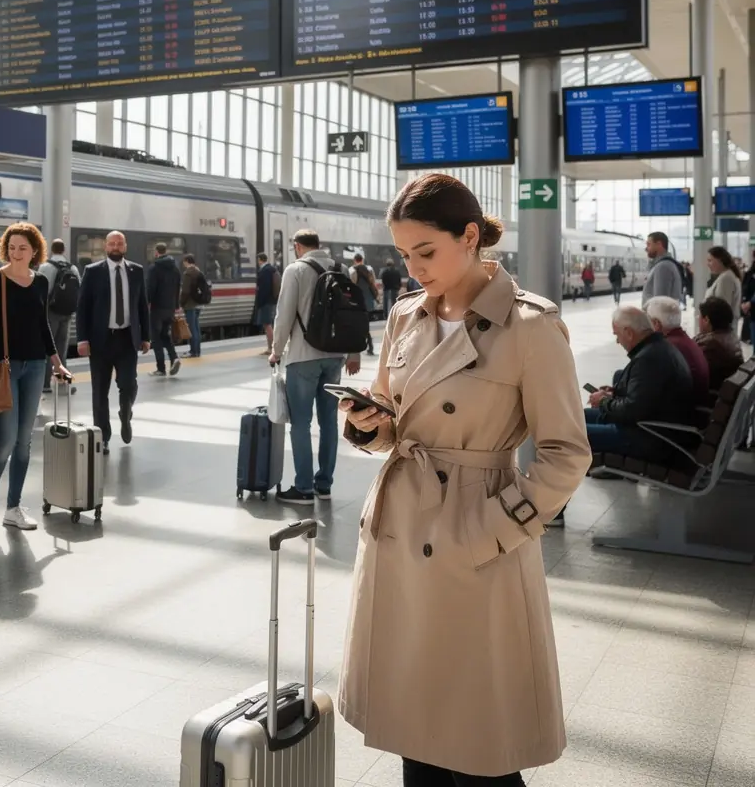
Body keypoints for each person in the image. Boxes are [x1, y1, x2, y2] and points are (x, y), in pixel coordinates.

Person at [338, 173, 590, 786]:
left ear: (470, 236)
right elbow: (395, 417)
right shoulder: (406, 316)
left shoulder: (530, 327)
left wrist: (494, 531)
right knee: (414, 737)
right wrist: (367, 423)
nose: (413, 267)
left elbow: (565, 452)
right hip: (401, 531)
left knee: (481, 748)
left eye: (425, 251)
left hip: (478, 539)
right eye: (403, 254)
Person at [0, 222, 72, 533]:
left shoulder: (41, 282)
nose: (16, 253)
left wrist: (57, 363)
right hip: (4, 367)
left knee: (24, 443)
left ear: (34, 251)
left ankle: (13, 508)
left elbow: (44, 326)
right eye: (12, 247)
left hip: (35, 367)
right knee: (5, 442)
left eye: (23, 248)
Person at [269, 230, 361, 505]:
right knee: (329, 422)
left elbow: (283, 315)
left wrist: (275, 352)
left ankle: (303, 488)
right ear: (318, 245)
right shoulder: (342, 269)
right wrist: (353, 352)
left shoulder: (295, 270)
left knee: (300, 423)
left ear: (298, 246)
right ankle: (324, 485)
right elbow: (354, 314)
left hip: (303, 355)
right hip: (335, 356)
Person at [581, 306, 694, 463]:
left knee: (570, 431)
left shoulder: (648, 359)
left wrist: (603, 401)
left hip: (649, 437)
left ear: (629, 332)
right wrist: (614, 394)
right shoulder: (660, 348)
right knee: (577, 417)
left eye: (617, 335)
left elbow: (632, 410)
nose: (617, 341)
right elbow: (645, 396)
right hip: (653, 427)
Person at [77, 230, 150, 452]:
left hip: (127, 339)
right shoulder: (92, 272)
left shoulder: (136, 271)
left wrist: (145, 336)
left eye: (119, 243)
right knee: (100, 391)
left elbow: (142, 306)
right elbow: (83, 308)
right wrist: (82, 339)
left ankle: (125, 413)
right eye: (112, 244)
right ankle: (103, 437)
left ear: (125, 246)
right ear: (105, 247)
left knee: (128, 384)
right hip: (100, 341)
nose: (116, 247)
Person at [644, 296, 710, 408]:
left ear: (656, 324)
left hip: (677, 415)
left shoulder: (666, 349)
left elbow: (646, 394)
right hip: (692, 407)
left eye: (646, 321)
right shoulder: (683, 340)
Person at [38, 238, 80, 396]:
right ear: (63, 250)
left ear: (52, 250)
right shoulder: (73, 268)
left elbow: (39, 290)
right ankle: (64, 383)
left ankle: (45, 384)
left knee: (48, 348)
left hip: (50, 312)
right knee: (62, 349)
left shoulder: (45, 267)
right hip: (67, 313)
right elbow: (78, 289)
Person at [146, 241, 181, 377]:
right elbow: (178, 287)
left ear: (156, 252)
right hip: (170, 308)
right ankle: (174, 358)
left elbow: (150, 288)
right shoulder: (175, 268)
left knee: (156, 338)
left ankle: (161, 368)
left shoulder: (154, 268)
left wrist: (147, 302)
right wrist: (176, 306)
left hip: (157, 308)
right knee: (165, 335)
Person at [696, 295, 744, 393]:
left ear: (706, 320)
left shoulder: (711, 344)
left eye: (699, 316)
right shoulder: (731, 336)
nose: (697, 318)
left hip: (710, 398)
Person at [349, 252, 381, 356]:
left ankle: (357, 345)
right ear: (362, 259)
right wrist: (376, 296)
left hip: (357, 301)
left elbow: (351, 286)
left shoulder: (352, 270)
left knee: (356, 323)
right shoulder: (369, 270)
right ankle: (370, 346)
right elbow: (373, 283)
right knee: (365, 323)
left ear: (354, 260)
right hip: (368, 300)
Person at [641, 231, 683, 305]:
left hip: (658, 315)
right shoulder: (664, 264)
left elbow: (660, 303)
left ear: (659, 244)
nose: (646, 249)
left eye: (648, 244)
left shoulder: (663, 267)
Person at [706, 245, 742, 326]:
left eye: (710, 260)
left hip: (722, 328)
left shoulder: (726, 278)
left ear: (720, 260)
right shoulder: (726, 276)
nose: (708, 264)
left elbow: (723, 309)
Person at [180, 253, 207, 358]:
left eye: (184, 262)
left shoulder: (188, 273)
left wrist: (181, 303)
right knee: (196, 328)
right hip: (198, 304)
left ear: (186, 261)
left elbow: (185, 291)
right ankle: (197, 351)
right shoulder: (198, 271)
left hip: (190, 305)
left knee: (191, 329)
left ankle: (193, 352)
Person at [254, 251, 280, 354]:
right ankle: (272, 347)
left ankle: (271, 348)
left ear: (260, 260)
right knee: (269, 324)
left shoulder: (264, 271)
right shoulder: (272, 269)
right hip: (272, 301)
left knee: (267, 325)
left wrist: (259, 303)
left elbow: (264, 289)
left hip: (266, 302)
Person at [740, 252, 755, 343]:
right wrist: (744, 302)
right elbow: (745, 287)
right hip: (752, 311)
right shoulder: (750, 273)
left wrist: (750, 303)